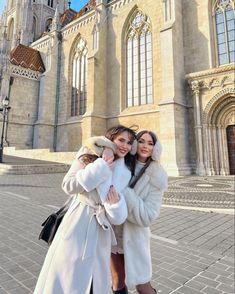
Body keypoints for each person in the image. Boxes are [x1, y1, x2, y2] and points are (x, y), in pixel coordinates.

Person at [34, 125, 136, 294]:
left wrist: (116, 205)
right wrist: (100, 167)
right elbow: (68, 185)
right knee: (67, 277)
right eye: (121, 140)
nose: (125, 145)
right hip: (78, 223)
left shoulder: (125, 171)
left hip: (101, 230)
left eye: (129, 142)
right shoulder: (89, 153)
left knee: (94, 283)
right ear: (111, 139)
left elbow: (117, 213)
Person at [88, 130, 168, 294]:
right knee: (117, 280)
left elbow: (148, 216)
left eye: (150, 143)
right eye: (141, 141)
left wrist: (126, 195)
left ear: (155, 148)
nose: (145, 146)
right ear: (134, 144)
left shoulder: (157, 176)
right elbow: (92, 143)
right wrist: (109, 148)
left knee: (142, 285)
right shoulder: (122, 161)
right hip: (113, 233)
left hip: (134, 236)